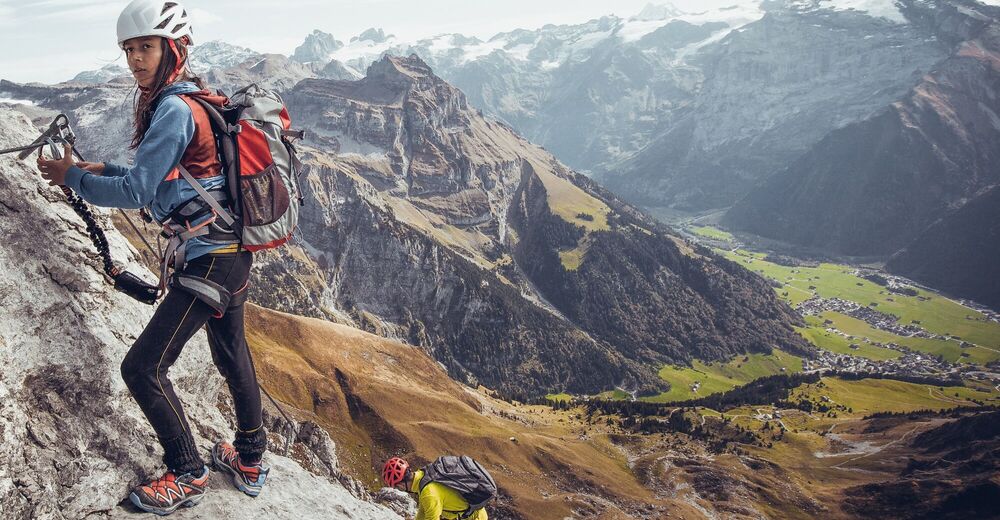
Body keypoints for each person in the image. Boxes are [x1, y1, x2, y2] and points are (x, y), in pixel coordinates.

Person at [36, 0, 268, 515]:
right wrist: (105, 166)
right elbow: (172, 175)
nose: (136, 59)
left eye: (146, 47)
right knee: (232, 356)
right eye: (129, 49)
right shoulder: (190, 101)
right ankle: (250, 458)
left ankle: (188, 471)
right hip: (231, 254)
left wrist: (72, 176)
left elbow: (140, 192)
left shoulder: (171, 109)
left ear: (174, 49)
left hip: (209, 260)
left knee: (143, 367)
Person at [383, 458, 490, 520]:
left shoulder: (427, 493)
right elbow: (422, 512)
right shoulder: (423, 476)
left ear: (401, 485)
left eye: (398, 487)